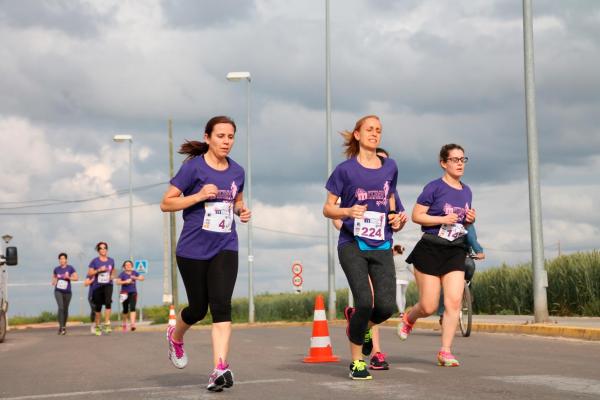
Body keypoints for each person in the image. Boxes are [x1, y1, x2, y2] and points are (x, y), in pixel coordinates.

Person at [160, 115, 251, 392]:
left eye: (230, 136)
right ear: (208, 137)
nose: (226, 141)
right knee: (198, 309)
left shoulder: (237, 171)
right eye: (221, 136)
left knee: (222, 306)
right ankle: (175, 337)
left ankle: (219, 368)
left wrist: (241, 211)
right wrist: (199, 196)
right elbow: (166, 203)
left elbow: (237, 201)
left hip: (225, 246)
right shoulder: (193, 169)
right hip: (192, 249)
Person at [323, 115, 407, 380]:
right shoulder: (344, 170)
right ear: (358, 135)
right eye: (369, 130)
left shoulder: (390, 167)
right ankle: (357, 362)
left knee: (384, 307)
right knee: (363, 302)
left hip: (382, 244)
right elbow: (327, 208)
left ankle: (359, 326)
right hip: (352, 244)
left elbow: (390, 200)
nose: (374, 134)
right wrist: (347, 210)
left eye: (378, 130)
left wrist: (397, 218)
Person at [398, 143, 476, 367]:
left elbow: (463, 222)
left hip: (455, 250)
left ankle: (445, 351)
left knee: (453, 303)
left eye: (463, 159)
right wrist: (442, 219)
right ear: (444, 163)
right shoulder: (434, 188)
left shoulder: (467, 190)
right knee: (429, 306)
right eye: (455, 159)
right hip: (430, 249)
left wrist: (470, 218)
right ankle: (408, 318)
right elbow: (416, 215)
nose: (460, 163)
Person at [437, 224, 484, 324]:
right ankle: (442, 313)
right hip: (445, 257)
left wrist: (479, 251)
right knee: (445, 284)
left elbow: (472, 238)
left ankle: (466, 289)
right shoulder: (442, 222)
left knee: (469, 265)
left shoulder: (466, 223)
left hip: (463, 255)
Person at [87, 242, 116, 336]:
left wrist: (112, 275)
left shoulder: (111, 260)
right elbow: (90, 273)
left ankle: (107, 323)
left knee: (108, 302)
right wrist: (99, 270)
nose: (103, 250)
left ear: (107, 250)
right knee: (98, 307)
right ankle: (98, 325)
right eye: (101, 248)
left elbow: (113, 270)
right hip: (97, 286)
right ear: (98, 250)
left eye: (105, 248)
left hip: (108, 284)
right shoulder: (94, 261)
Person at [51, 253, 78, 335]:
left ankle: (63, 326)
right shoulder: (56, 269)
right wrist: (54, 281)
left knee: (65, 309)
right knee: (61, 307)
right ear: (59, 260)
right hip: (58, 291)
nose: (62, 260)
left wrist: (68, 277)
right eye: (60, 259)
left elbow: (76, 278)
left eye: (63, 259)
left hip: (67, 292)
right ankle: (62, 327)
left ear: (66, 260)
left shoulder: (70, 268)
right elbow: (54, 279)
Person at [116, 260, 144, 332]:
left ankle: (132, 324)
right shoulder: (122, 274)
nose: (128, 266)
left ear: (132, 266)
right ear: (124, 267)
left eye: (129, 265)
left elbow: (142, 278)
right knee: (125, 309)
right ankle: (124, 323)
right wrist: (125, 281)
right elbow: (117, 282)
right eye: (126, 265)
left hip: (133, 292)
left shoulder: (134, 273)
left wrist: (135, 278)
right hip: (124, 293)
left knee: (132, 308)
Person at [393, 245, 413, 318]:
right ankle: (403, 311)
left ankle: (401, 312)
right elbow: (411, 269)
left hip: (397, 279)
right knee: (403, 295)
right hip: (405, 279)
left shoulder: (393, 259)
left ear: (395, 250)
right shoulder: (406, 258)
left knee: (398, 295)